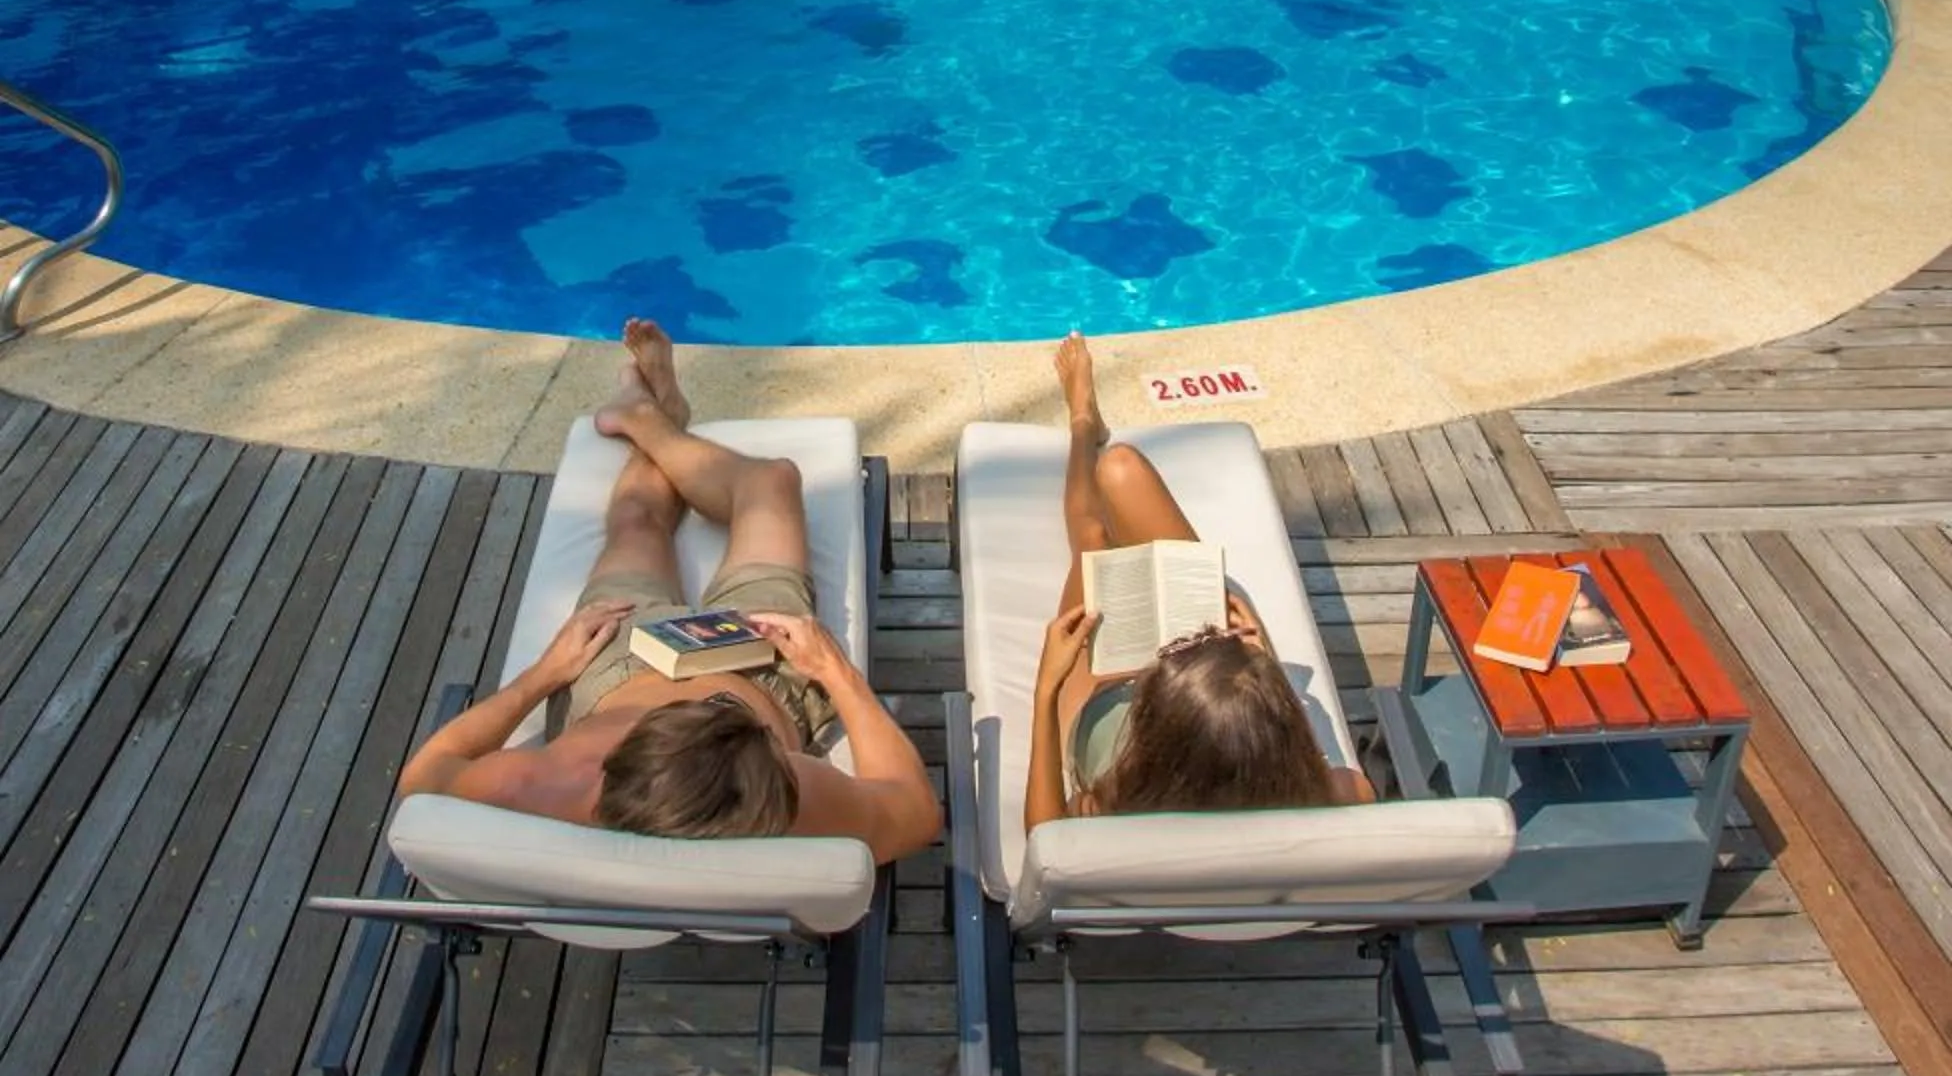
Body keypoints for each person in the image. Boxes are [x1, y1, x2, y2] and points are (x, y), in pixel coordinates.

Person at [398, 319, 941, 862]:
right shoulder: (794, 802)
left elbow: (422, 778)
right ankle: (655, 422)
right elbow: (915, 809)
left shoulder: (542, 786)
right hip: (767, 672)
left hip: (612, 663)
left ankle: (656, 418)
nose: (694, 692)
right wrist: (835, 672)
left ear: (614, 758)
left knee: (638, 521)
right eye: (719, 707)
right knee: (770, 481)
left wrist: (545, 676)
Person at [1026, 334, 1374, 831]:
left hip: (1109, 716)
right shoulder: (1328, 793)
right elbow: (1330, 778)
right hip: (1206, 712)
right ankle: (1090, 428)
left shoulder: (1114, 800)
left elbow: (1043, 836)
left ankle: (1082, 419)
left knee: (1093, 539)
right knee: (1120, 470)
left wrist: (1046, 690)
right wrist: (1263, 676)